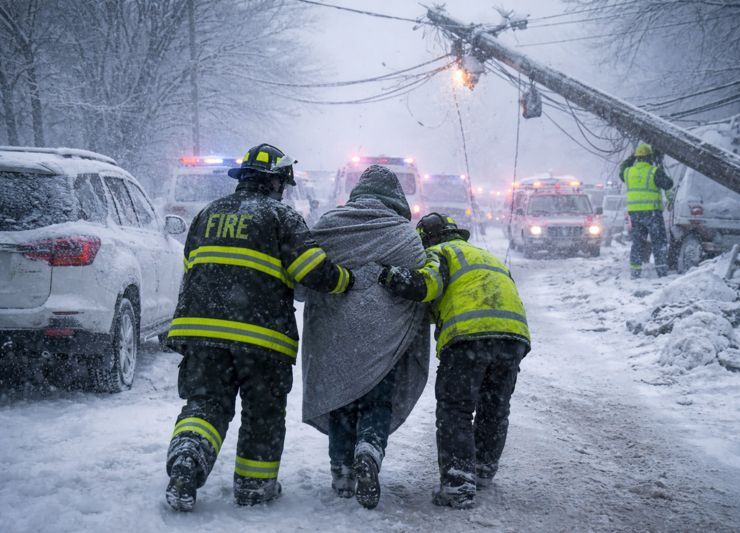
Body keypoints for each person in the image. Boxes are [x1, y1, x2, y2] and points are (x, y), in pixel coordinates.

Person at [163, 143, 354, 512]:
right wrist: (346, 280)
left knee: (206, 404)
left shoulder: (208, 213)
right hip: (261, 339)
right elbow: (311, 271)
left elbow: (192, 262)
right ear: (276, 183)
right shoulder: (281, 218)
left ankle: (187, 461)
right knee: (262, 413)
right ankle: (254, 486)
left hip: (201, 334)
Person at [377, 213, 531, 509]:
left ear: (427, 239)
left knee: (456, 410)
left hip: (468, 337)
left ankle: (459, 483)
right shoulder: (486, 256)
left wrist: (390, 275)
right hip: (514, 337)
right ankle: (483, 470)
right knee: (494, 408)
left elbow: (427, 285)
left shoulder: (439, 253)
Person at [299, 165, 430, 509]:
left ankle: (342, 472)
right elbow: (420, 281)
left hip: (333, 338)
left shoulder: (328, 226)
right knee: (376, 402)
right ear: (395, 198)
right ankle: (369, 449)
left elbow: (303, 274)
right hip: (382, 342)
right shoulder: (403, 233)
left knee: (340, 402)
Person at [619, 143, 674, 278]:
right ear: (650, 157)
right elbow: (668, 184)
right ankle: (661, 270)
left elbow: (622, 168)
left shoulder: (628, 172)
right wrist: (660, 164)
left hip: (635, 214)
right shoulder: (654, 171)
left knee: (637, 242)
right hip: (652, 213)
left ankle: (635, 271)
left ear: (637, 157)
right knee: (658, 241)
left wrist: (632, 156)